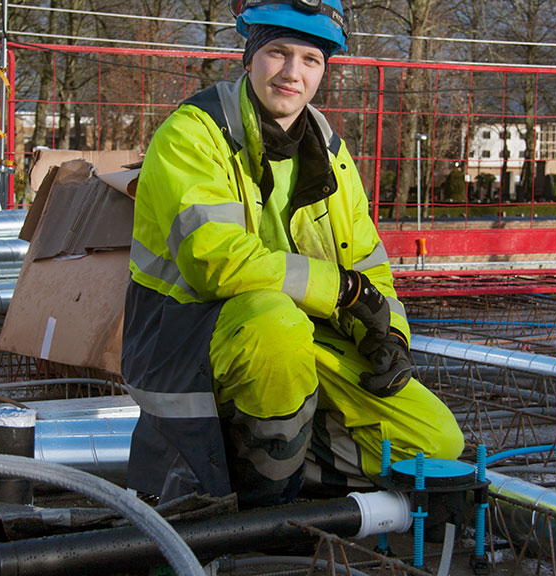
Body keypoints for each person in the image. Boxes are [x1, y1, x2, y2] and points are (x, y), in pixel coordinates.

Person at [122, 0, 463, 508]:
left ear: (324, 69)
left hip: (301, 337)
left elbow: (368, 265)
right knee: (275, 328)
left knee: (434, 442)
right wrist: (341, 291)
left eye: (310, 59)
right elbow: (215, 261)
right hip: (188, 342)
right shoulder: (193, 134)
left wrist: (388, 333)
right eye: (278, 52)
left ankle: (273, 458)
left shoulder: (330, 152)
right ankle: (263, 511)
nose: (291, 73)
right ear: (249, 56)